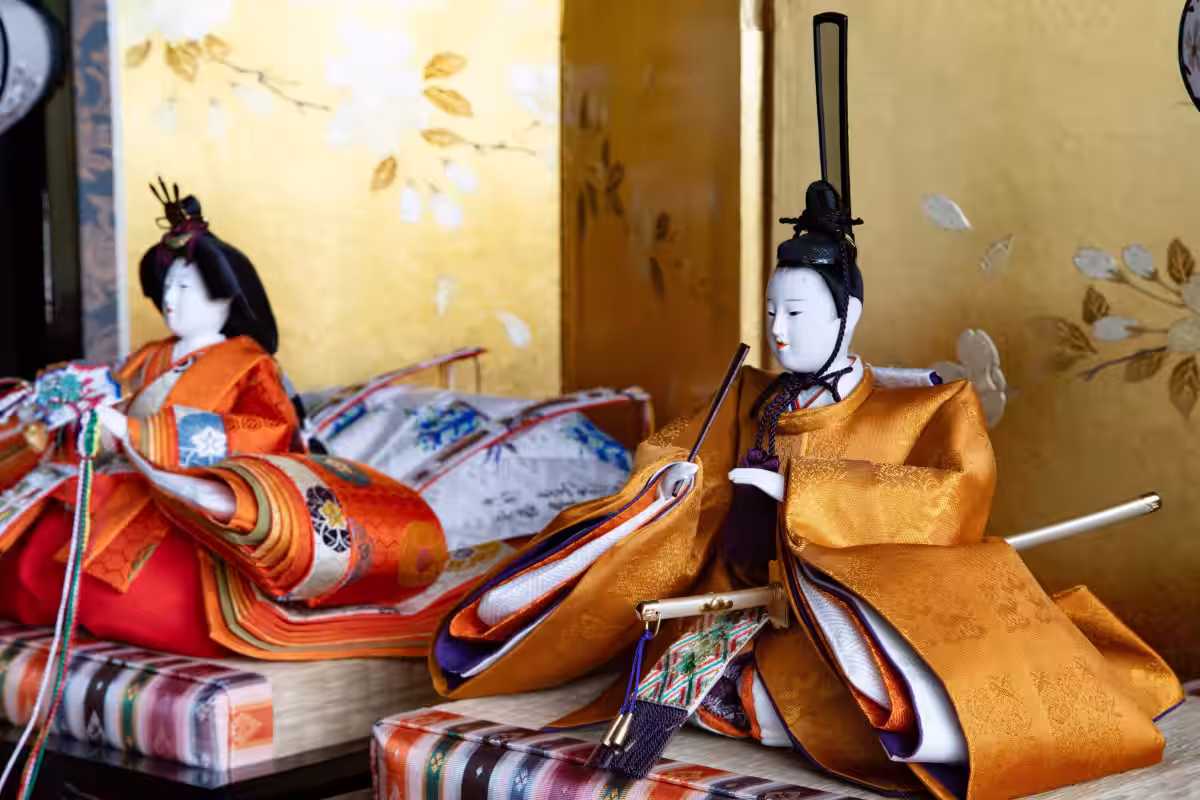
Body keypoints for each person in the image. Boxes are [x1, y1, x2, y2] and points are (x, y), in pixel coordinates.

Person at [429, 180, 1183, 797]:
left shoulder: (925, 408)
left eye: (796, 312)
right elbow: (677, 458)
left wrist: (804, 496)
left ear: (848, 316)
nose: (779, 330)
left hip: (831, 624)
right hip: (731, 609)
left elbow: (950, 499)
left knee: (896, 703)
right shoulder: (747, 396)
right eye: (770, 313)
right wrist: (669, 487)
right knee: (678, 688)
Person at [0, 184, 458, 659]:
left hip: (183, 502)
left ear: (225, 299)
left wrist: (144, 434)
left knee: (133, 591)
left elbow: (268, 432)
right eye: (168, 285)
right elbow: (108, 400)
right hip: (116, 487)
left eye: (186, 287)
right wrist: (76, 415)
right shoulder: (148, 357)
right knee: (33, 549)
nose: (172, 298)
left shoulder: (248, 365)